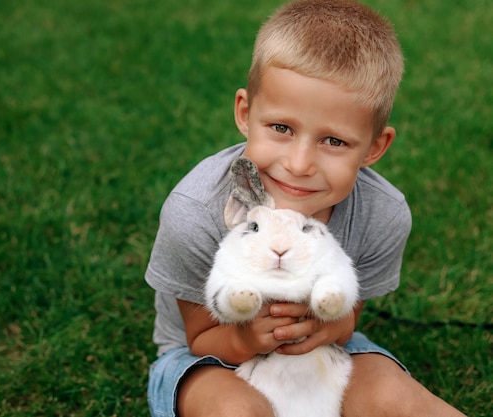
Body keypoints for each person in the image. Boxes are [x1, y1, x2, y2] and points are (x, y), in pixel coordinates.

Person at [145, 1, 467, 416]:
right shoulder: (194, 211)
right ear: (245, 113)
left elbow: (348, 316)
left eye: (334, 141)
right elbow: (200, 335)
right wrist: (245, 340)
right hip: (209, 357)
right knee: (236, 411)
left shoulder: (381, 213)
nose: (299, 165)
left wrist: (331, 325)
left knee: (393, 397)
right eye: (281, 128)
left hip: (324, 351)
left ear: (374, 147)